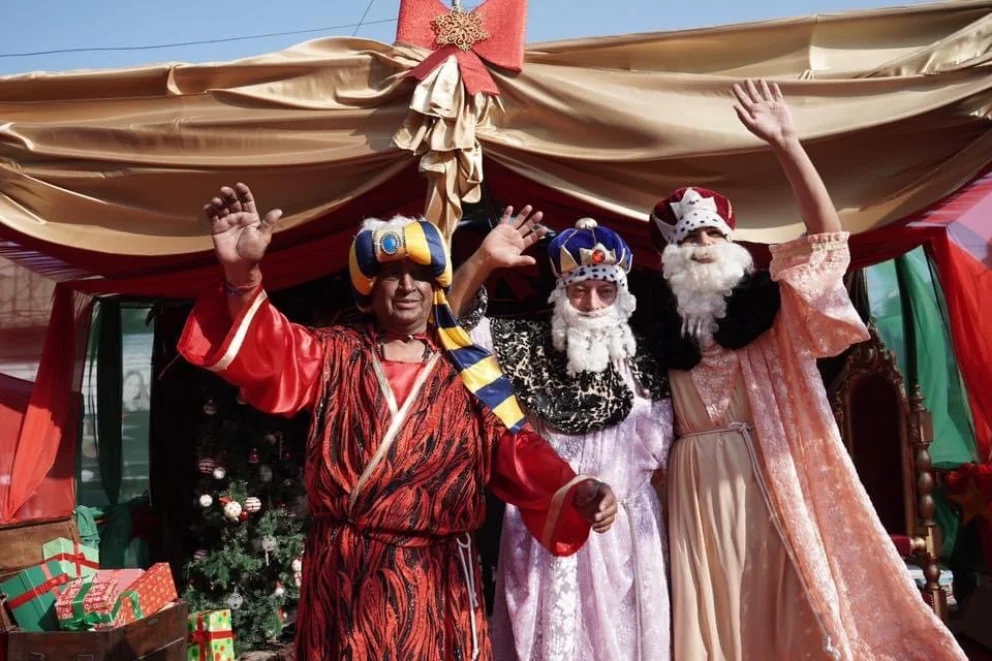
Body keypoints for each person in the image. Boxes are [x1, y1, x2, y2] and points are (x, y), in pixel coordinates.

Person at [177, 184, 619, 660]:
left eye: (420, 275)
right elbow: (269, 352)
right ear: (369, 289)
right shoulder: (333, 354)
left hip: (438, 585)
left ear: (436, 288)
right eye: (391, 274)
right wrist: (241, 274)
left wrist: (580, 489)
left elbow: (517, 450)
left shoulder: (469, 371)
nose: (407, 286)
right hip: (347, 580)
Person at [647, 80, 966, 660]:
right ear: (670, 256)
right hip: (692, 486)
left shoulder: (773, 311)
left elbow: (824, 245)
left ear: (734, 244)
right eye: (689, 236)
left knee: (788, 602)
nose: (703, 243)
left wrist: (787, 143)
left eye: (713, 232)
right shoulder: (656, 331)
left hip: (773, 473)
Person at [449, 215, 673, 660]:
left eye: (605, 290)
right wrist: (483, 262)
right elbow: (450, 329)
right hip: (548, 533)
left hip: (626, 540)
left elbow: (660, 464)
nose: (592, 303)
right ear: (560, 292)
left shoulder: (645, 361)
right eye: (579, 290)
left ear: (622, 295)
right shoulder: (525, 347)